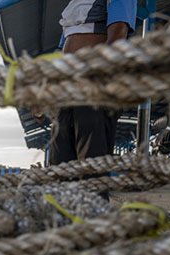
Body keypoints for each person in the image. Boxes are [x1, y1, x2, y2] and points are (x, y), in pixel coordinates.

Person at [48, 0, 136, 166]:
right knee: (60, 158)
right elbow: (61, 51)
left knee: (91, 156)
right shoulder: (73, 6)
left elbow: (118, 33)